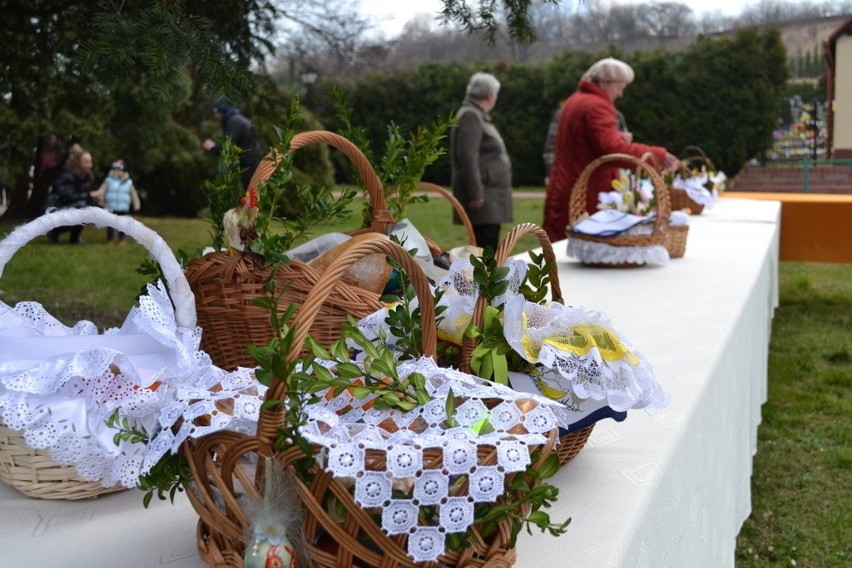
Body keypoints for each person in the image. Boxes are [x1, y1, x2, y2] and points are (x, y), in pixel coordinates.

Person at [543, 57, 679, 244]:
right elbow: (613, 149)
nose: (621, 94)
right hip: (587, 192)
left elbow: (585, 142)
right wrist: (659, 156)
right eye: (619, 87)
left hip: (567, 186)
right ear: (605, 83)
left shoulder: (575, 100)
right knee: (589, 250)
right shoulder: (597, 106)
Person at [450, 72, 513, 250]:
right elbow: (467, 157)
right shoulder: (471, 116)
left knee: (488, 247)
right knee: (485, 250)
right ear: (489, 95)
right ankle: (484, 279)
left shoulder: (476, 115)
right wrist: (475, 194)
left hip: (489, 195)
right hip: (484, 197)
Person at [202, 98, 263, 189]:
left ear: (220, 111)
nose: (214, 116)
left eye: (215, 112)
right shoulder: (237, 119)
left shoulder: (233, 122)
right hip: (251, 165)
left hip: (247, 168)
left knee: (247, 196)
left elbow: (228, 149)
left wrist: (212, 147)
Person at [46, 143, 99, 244]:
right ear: (78, 163)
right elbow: (65, 196)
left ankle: (74, 238)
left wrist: (94, 200)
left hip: (67, 208)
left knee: (86, 208)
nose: (90, 165)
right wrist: (89, 196)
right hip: (54, 210)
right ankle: (53, 231)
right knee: (83, 208)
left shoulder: (85, 177)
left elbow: (81, 197)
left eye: (90, 162)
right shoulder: (66, 175)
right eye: (87, 162)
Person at [92, 159, 141, 244]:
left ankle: (122, 239)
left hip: (123, 208)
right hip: (111, 207)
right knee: (110, 224)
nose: (116, 171)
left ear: (124, 171)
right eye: (115, 169)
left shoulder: (128, 182)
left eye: (119, 170)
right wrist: (100, 200)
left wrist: (136, 204)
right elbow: (102, 191)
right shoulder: (108, 181)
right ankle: (110, 239)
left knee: (123, 224)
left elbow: (134, 195)